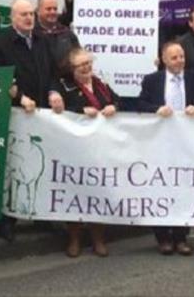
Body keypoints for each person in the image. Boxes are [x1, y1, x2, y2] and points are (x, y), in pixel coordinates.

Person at [0, 0, 63, 241]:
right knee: (13, 167)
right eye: (23, 15)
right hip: (17, 113)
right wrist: (19, 96)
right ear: (13, 17)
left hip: (41, 111)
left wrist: (53, 92)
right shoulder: (2, 41)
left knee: (38, 166)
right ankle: (7, 220)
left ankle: (40, 213)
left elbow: (54, 71)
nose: (29, 18)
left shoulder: (42, 39)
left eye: (31, 14)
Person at [135, 41, 194, 256]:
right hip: (160, 143)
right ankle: (162, 237)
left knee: (184, 187)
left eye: (182, 56)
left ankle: (181, 237)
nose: (180, 61)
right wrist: (156, 109)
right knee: (159, 187)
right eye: (174, 57)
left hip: (187, 144)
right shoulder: (152, 80)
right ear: (164, 60)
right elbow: (140, 104)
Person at [50, 47, 119, 258]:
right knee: (75, 192)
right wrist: (80, 112)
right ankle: (74, 239)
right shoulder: (64, 86)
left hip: (99, 147)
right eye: (81, 65)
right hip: (75, 148)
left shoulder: (101, 84)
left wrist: (113, 106)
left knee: (98, 192)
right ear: (72, 68)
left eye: (88, 63)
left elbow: (117, 100)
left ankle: (98, 238)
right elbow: (58, 111)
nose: (86, 67)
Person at [35, 0, 80, 67]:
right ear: (38, 11)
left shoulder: (67, 34)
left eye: (55, 9)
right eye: (48, 9)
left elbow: (78, 59)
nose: (52, 12)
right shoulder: (30, 34)